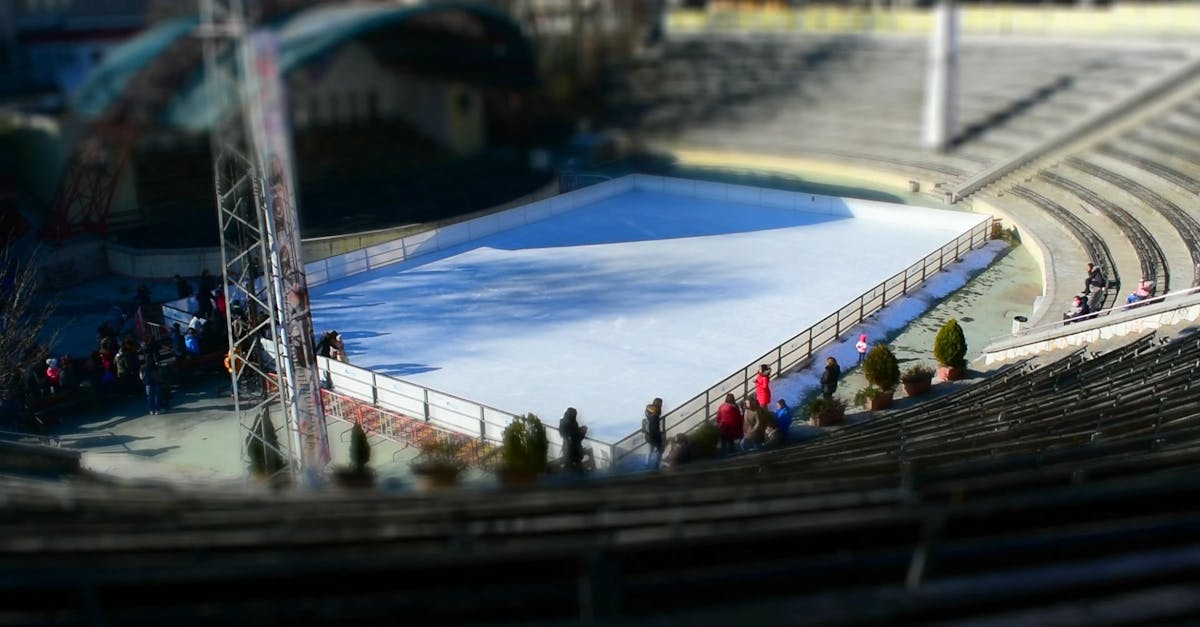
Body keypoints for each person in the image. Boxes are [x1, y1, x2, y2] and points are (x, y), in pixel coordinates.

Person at [558, 407, 591, 473]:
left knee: (571, 467)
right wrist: (582, 432)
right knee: (573, 468)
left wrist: (581, 431)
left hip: (571, 450)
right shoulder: (569, 423)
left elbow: (574, 435)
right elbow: (575, 437)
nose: (575, 416)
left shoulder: (568, 423)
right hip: (572, 451)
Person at [643, 397, 664, 469]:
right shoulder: (655, 414)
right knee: (660, 450)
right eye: (660, 403)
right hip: (654, 434)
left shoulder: (648, 412)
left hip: (649, 435)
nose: (661, 405)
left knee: (650, 450)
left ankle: (647, 464)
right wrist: (658, 435)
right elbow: (654, 427)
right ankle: (657, 465)